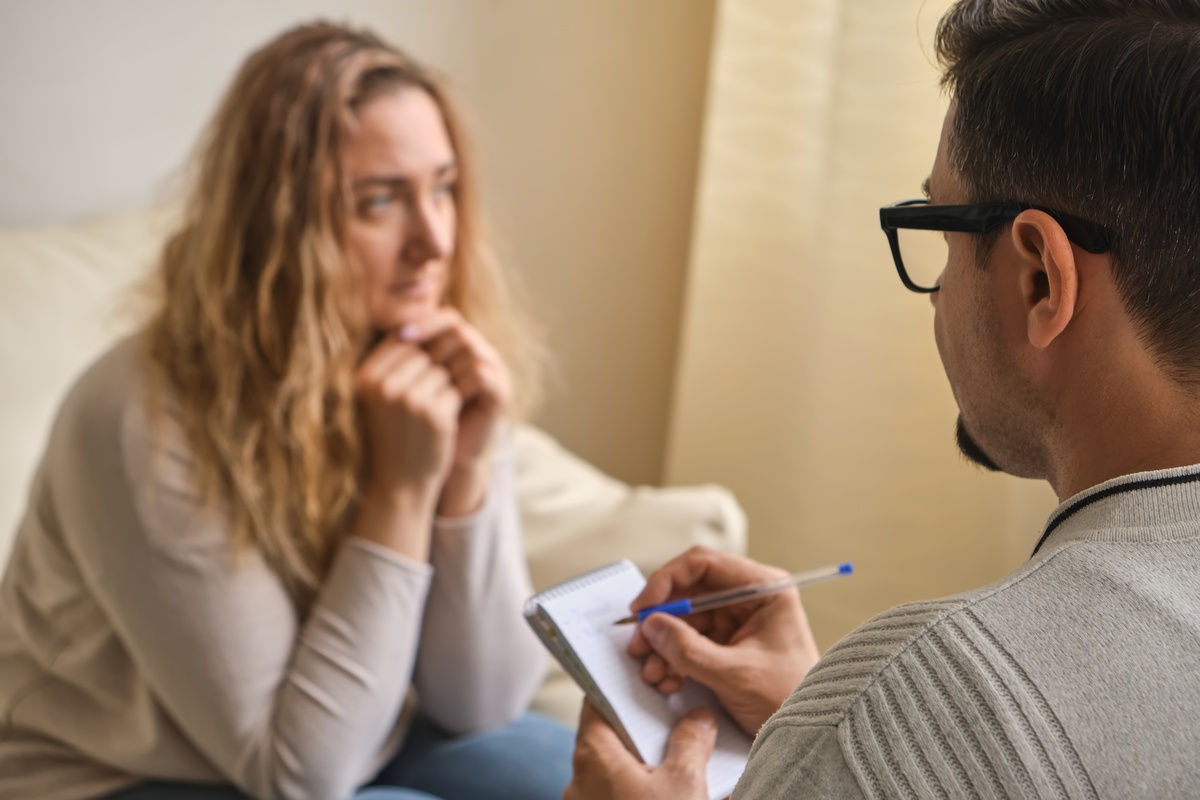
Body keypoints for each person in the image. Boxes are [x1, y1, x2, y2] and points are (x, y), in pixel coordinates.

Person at [565, 0, 1200, 797]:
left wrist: (855, 733)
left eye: (939, 229)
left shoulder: (934, 701)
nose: (935, 295)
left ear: (1040, 277)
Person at [0, 22, 574, 800]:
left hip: (349, 727)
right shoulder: (137, 417)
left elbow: (481, 702)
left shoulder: (428, 356)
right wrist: (402, 492)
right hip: (110, 776)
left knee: (571, 773)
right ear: (279, 225)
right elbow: (301, 775)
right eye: (380, 202)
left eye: (442, 187)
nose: (435, 240)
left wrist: (466, 468)